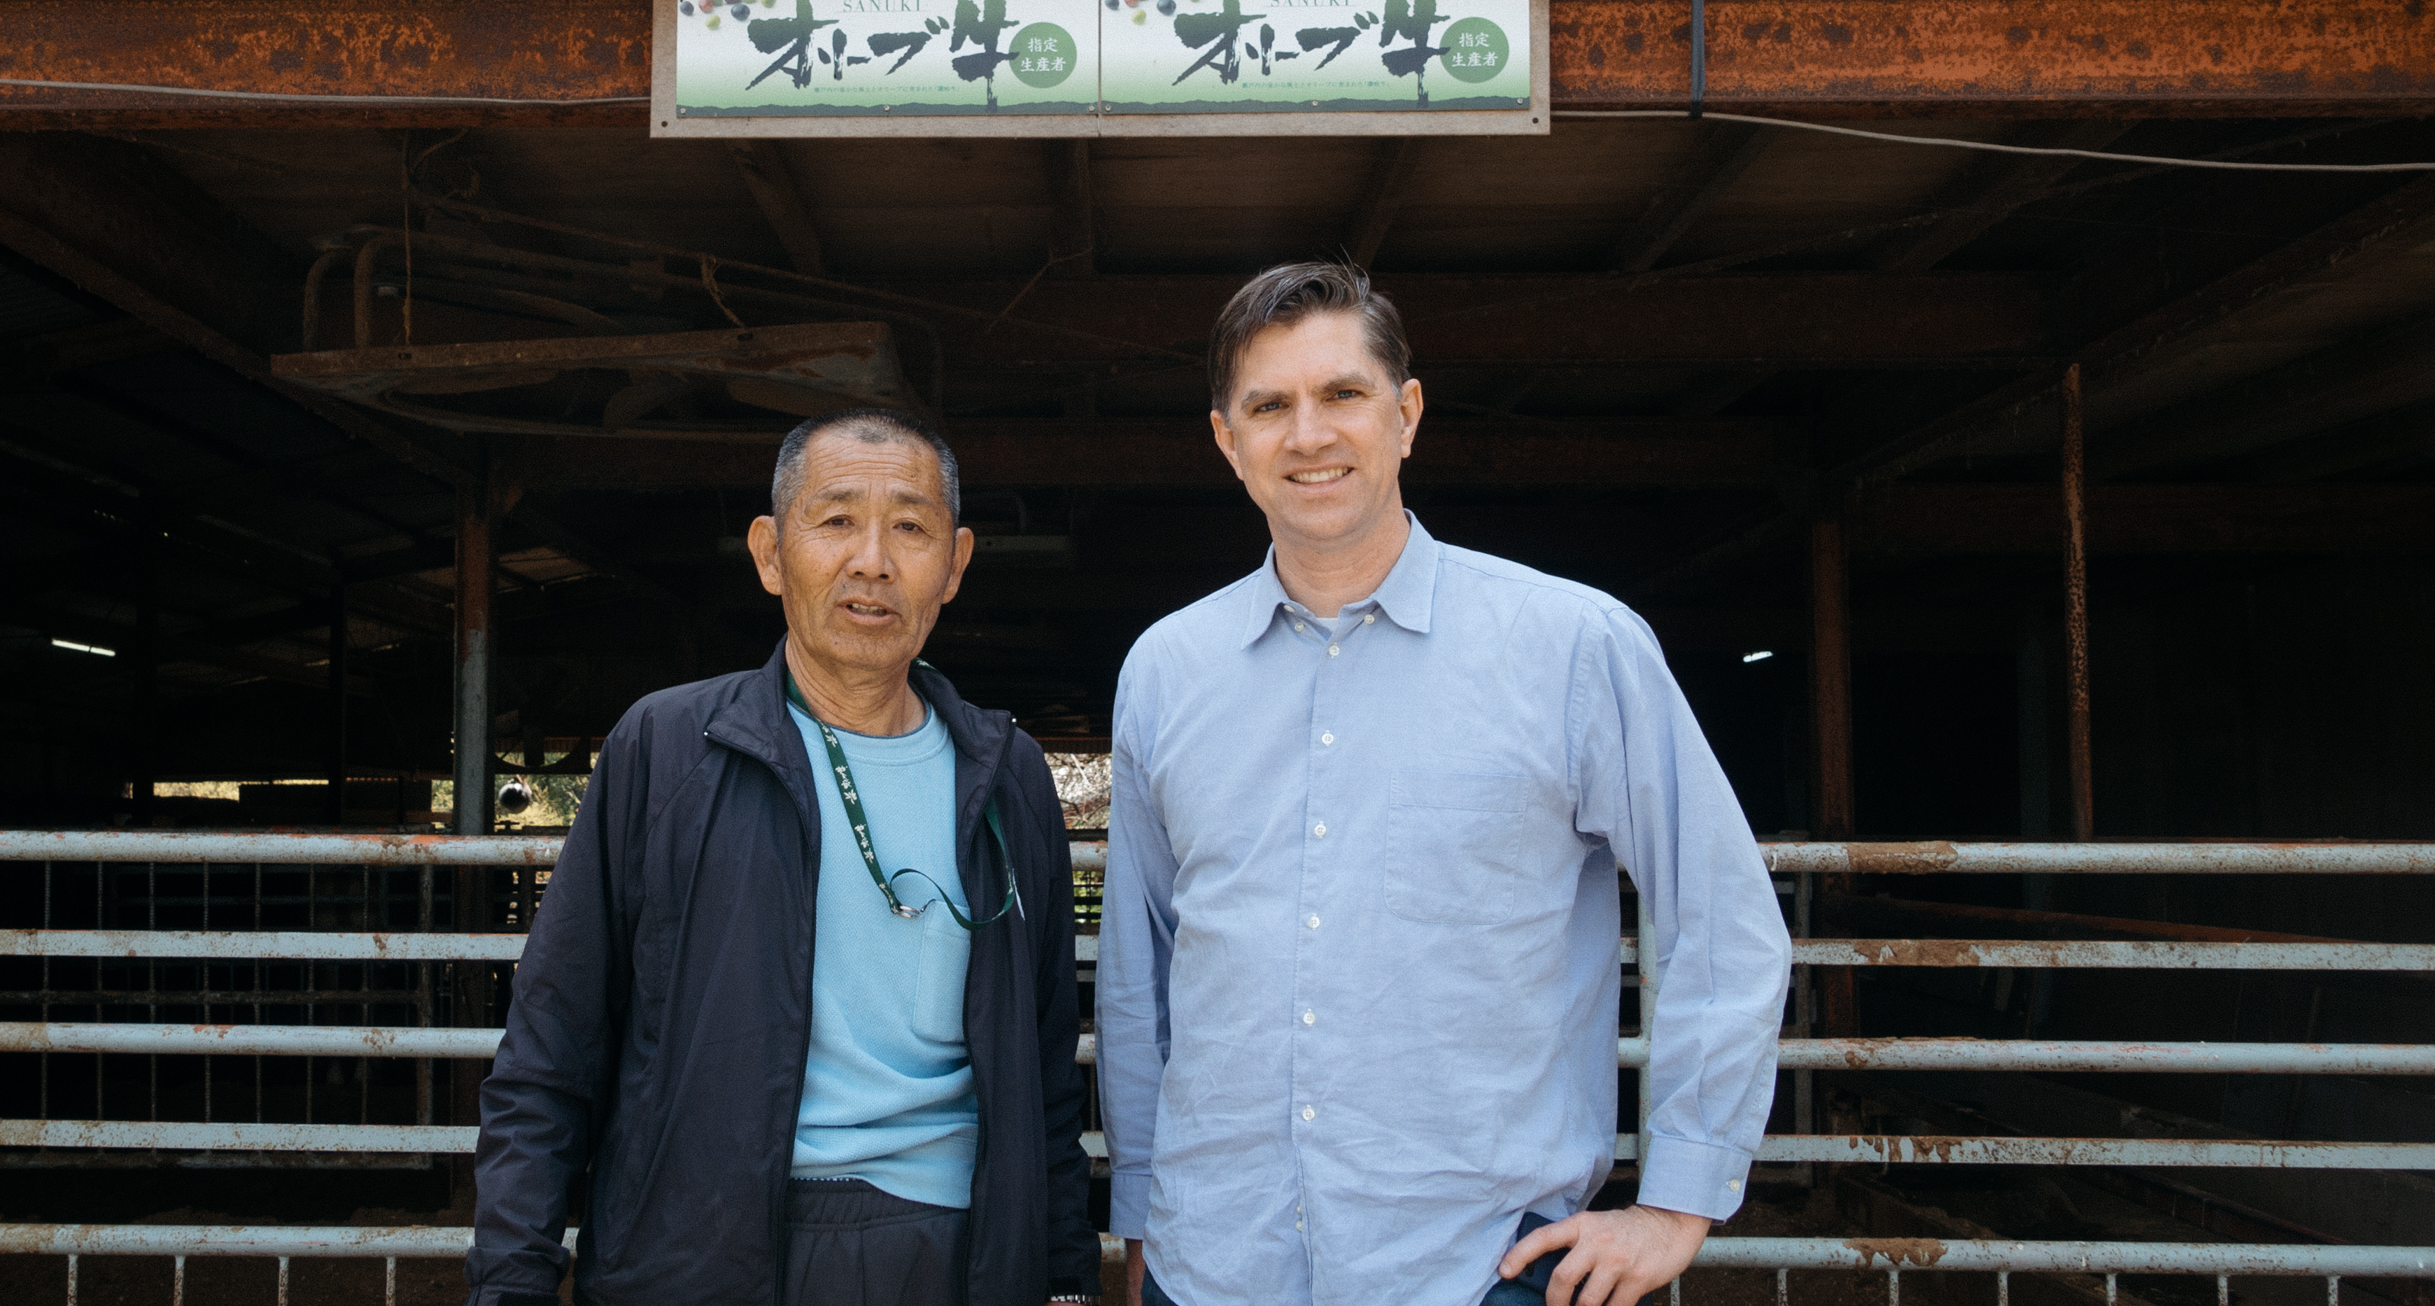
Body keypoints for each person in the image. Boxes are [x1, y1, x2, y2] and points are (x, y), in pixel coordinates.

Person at [1096, 264, 1793, 1306]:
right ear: (1225, 439)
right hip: (1213, 1265)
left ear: (1406, 413)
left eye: (1342, 394)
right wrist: (1143, 1207)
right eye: (1269, 406)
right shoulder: (1166, 668)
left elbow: (1723, 918)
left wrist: (1676, 1200)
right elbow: (1137, 965)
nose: (1309, 434)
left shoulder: (1573, 646)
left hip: (1477, 1268)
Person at [467, 409, 1102, 1306]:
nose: (872, 560)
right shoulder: (669, 749)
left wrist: (1067, 1284)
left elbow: (1044, 1078)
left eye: (910, 528)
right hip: (704, 1251)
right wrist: (510, 1283)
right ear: (770, 552)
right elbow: (551, 1046)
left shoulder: (1007, 775)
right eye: (836, 519)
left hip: (959, 1250)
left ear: (954, 566)